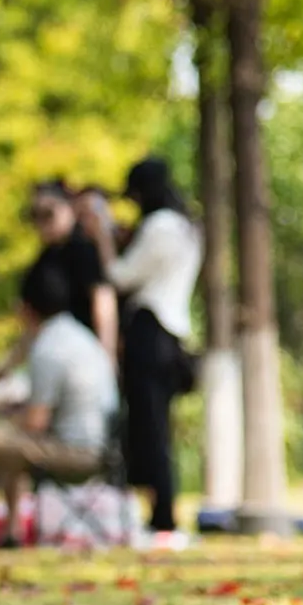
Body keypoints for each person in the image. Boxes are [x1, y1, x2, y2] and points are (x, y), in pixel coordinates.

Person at [0, 261, 119, 548]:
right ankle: (12, 532)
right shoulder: (79, 336)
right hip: (103, 448)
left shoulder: (48, 348)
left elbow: (35, 423)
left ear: (25, 308)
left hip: (76, 455)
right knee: (7, 442)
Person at [80, 156, 201, 544]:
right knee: (155, 428)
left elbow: (119, 276)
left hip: (151, 332)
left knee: (150, 430)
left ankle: (162, 518)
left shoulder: (161, 226)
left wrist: (101, 237)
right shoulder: (184, 226)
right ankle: (159, 514)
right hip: (170, 335)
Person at [0, 181, 119, 380]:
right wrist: (7, 367)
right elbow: (33, 325)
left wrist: (107, 358)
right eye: (35, 216)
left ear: (69, 207)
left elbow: (103, 303)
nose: (42, 224)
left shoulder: (84, 250)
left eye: (48, 213)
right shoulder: (43, 262)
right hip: (56, 358)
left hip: (86, 358)